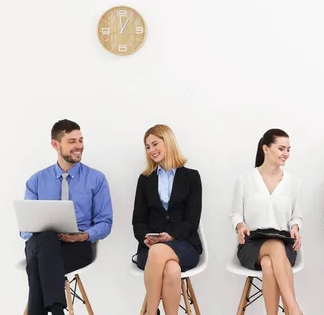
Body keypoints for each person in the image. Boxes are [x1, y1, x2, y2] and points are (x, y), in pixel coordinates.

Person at [21, 119, 113, 315]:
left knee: (39, 261)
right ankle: (56, 310)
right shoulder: (36, 181)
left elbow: (105, 222)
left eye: (80, 140)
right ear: (56, 145)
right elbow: (25, 229)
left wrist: (84, 235)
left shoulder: (96, 179)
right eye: (72, 141)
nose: (78, 146)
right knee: (45, 240)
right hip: (40, 246)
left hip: (77, 248)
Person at [230, 129, 304, 315]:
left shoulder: (293, 182)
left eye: (288, 149)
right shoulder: (245, 179)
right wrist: (240, 226)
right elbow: (236, 214)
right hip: (253, 243)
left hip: (284, 241)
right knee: (274, 247)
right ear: (266, 149)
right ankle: (293, 309)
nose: (286, 154)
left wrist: (295, 227)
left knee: (269, 264)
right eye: (281, 148)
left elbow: (297, 215)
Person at [132, 124, 202, 315]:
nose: (151, 150)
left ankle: (151, 312)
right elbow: (138, 220)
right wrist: (145, 238)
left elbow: (192, 220)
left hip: (184, 245)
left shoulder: (192, 177)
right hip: (150, 248)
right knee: (171, 269)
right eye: (147, 147)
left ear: (168, 142)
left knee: (160, 252)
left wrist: (171, 237)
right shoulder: (145, 179)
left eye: (155, 144)